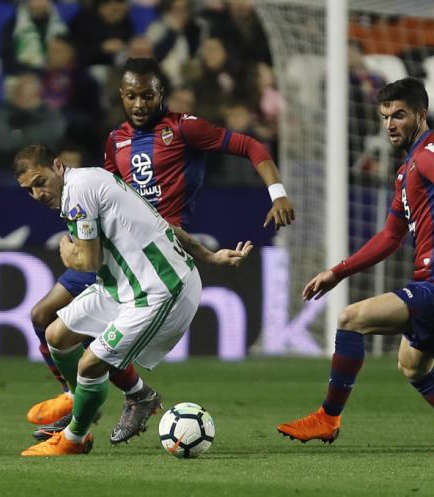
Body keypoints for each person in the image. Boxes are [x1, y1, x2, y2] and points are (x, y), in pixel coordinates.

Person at [27, 57, 295, 444]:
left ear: (160, 94)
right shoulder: (115, 140)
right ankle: (84, 398)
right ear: (121, 96)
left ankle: (105, 403)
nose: (139, 104)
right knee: (45, 318)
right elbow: (112, 196)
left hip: (155, 251)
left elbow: (250, 145)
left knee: (93, 342)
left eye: (147, 95)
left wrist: (278, 192)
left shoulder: (185, 129)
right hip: (116, 247)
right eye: (132, 96)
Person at [277, 78, 434, 452]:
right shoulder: (407, 170)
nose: (390, 124)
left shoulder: (432, 153)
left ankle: (327, 418)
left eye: (399, 115)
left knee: (349, 319)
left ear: (421, 115)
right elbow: (390, 237)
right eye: (385, 116)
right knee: (413, 367)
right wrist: (336, 272)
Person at [13, 144, 252, 456]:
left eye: (40, 182)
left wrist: (70, 255)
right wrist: (208, 255)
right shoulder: (92, 181)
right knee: (57, 335)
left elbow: (89, 260)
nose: (38, 194)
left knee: (91, 363)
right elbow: (160, 224)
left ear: (57, 166)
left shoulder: (78, 193)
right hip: (121, 286)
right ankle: (97, 403)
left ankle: (74, 439)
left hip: (159, 288)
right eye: (29, 190)